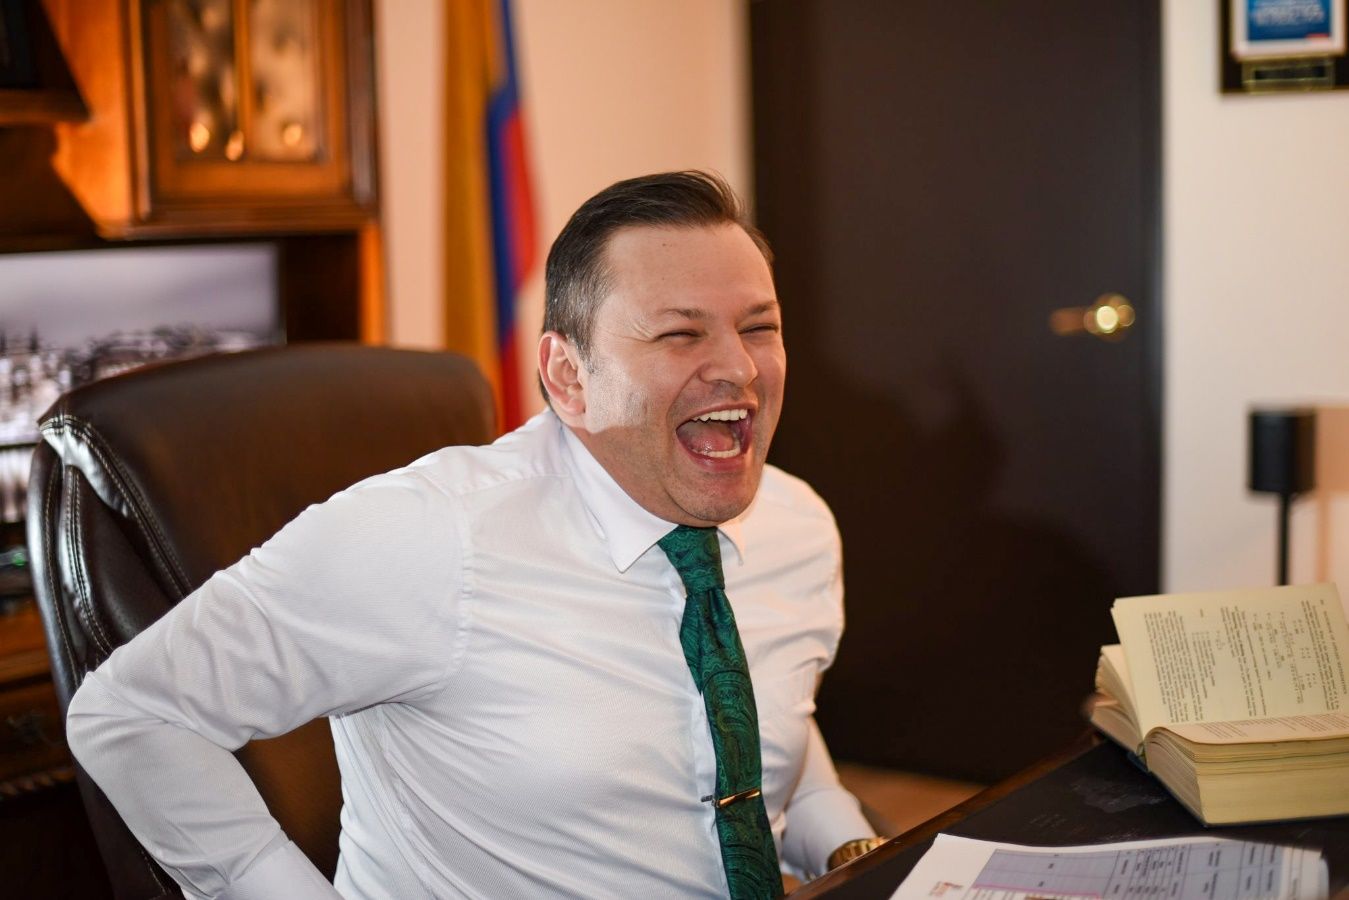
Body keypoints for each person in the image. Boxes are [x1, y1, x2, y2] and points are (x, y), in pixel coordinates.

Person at [66, 171, 881, 899]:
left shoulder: (796, 526)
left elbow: (766, 725)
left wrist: (848, 840)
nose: (738, 368)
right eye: (680, 333)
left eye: (759, 327)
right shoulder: (430, 537)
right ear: (568, 376)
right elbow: (131, 712)